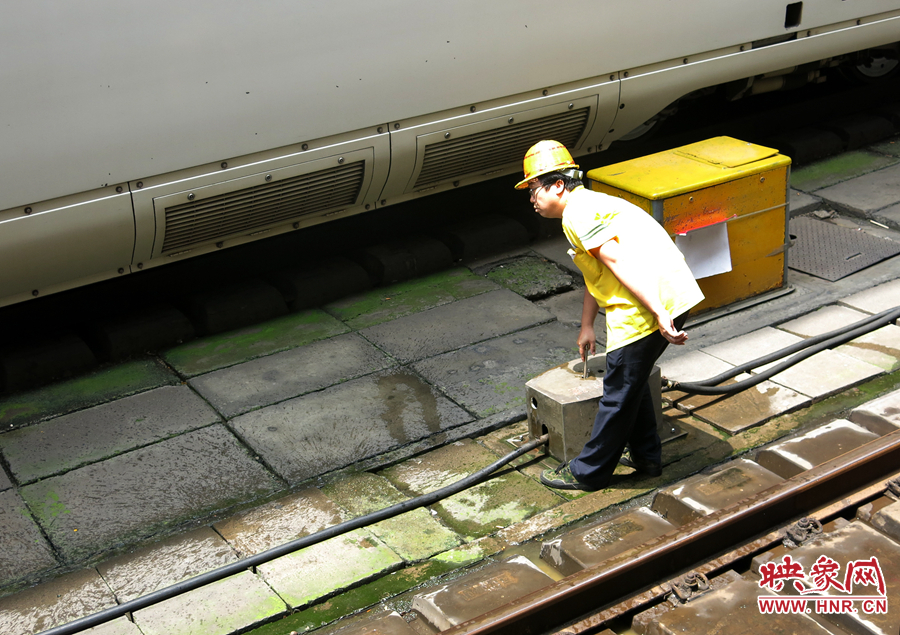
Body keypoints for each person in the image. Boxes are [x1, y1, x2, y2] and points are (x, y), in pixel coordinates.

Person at [515, 140, 704, 491]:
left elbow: (619, 261)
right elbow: (599, 270)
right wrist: (587, 324)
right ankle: (647, 456)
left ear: (558, 184)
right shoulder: (588, 205)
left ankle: (588, 472)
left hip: (649, 307)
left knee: (617, 391)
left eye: (534, 189)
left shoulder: (578, 213)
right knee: (631, 383)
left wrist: (660, 314)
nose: (532, 200)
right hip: (663, 296)